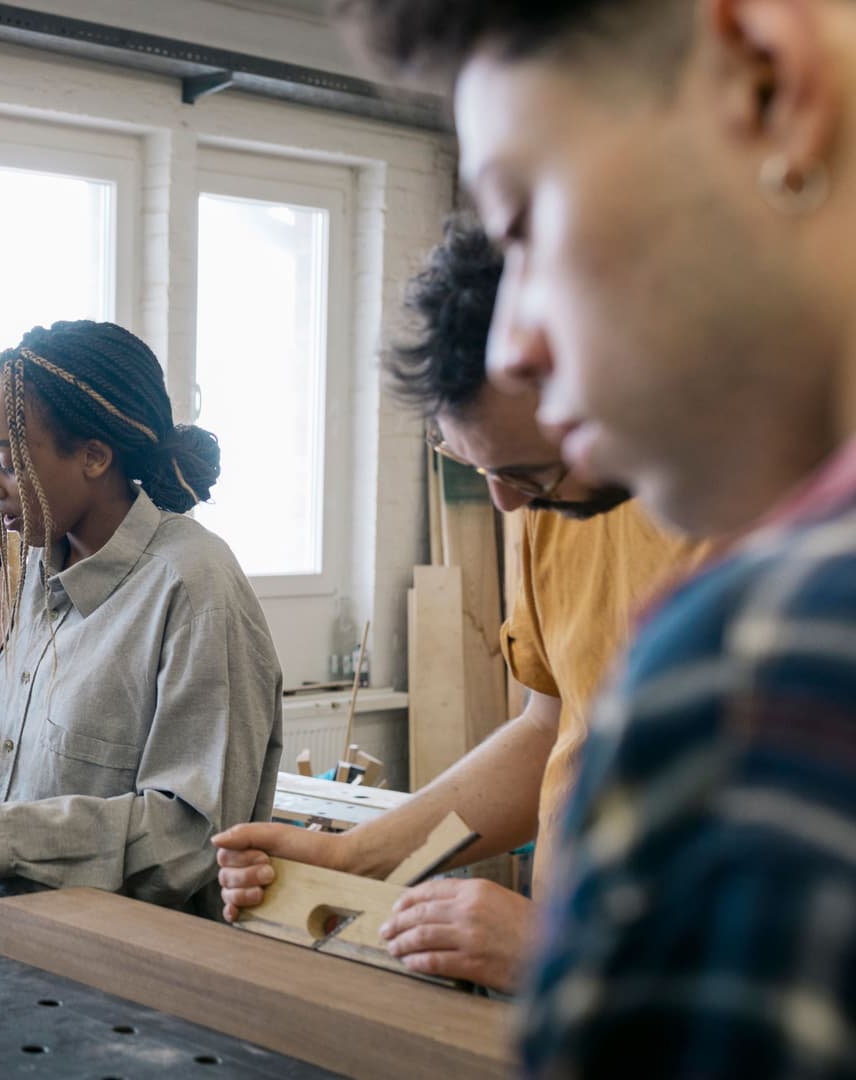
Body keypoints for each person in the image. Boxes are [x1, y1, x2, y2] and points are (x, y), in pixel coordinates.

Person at [337, 0, 856, 1072]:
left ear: (767, 83)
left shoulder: (767, 653)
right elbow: (548, 722)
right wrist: (360, 854)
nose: (520, 345)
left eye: (525, 220)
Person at [213, 218, 708, 992]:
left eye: (526, 469)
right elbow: (553, 729)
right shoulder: (559, 510)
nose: (507, 503)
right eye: (475, 466)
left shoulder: (782, 533)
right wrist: (358, 855)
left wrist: (565, 947)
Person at [0, 320, 283, 917]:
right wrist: (1, 715)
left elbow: (188, 839)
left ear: (93, 456)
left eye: (5, 458)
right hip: (5, 937)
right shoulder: (41, 557)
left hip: (124, 971)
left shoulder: (194, 589)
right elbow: (89, 718)